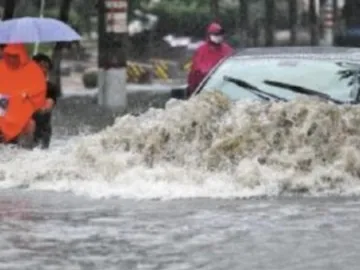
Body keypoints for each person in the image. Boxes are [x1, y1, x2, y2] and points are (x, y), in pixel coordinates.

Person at [0, 44, 47, 148]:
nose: (12, 59)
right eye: (10, 56)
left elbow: (39, 90)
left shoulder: (33, 70)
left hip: (23, 110)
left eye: (15, 56)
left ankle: (26, 154)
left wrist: (25, 94)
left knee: (30, 125)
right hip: (4, 107)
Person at [187, 22, 234, 97]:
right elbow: (194, 73)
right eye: (216, 34)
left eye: (220, 34)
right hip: (206, 91)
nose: (219, 36)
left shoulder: (227, 50)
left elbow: (233, 70)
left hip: (226, 90)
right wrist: (192, 90)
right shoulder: (201, 51)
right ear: (209, 35)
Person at [32, 53, 60, 149]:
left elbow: (48, 106)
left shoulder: (50, 88)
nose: (42, 69)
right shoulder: (20, 85)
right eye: (39, 65)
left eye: (46, 67)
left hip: (42, 130)